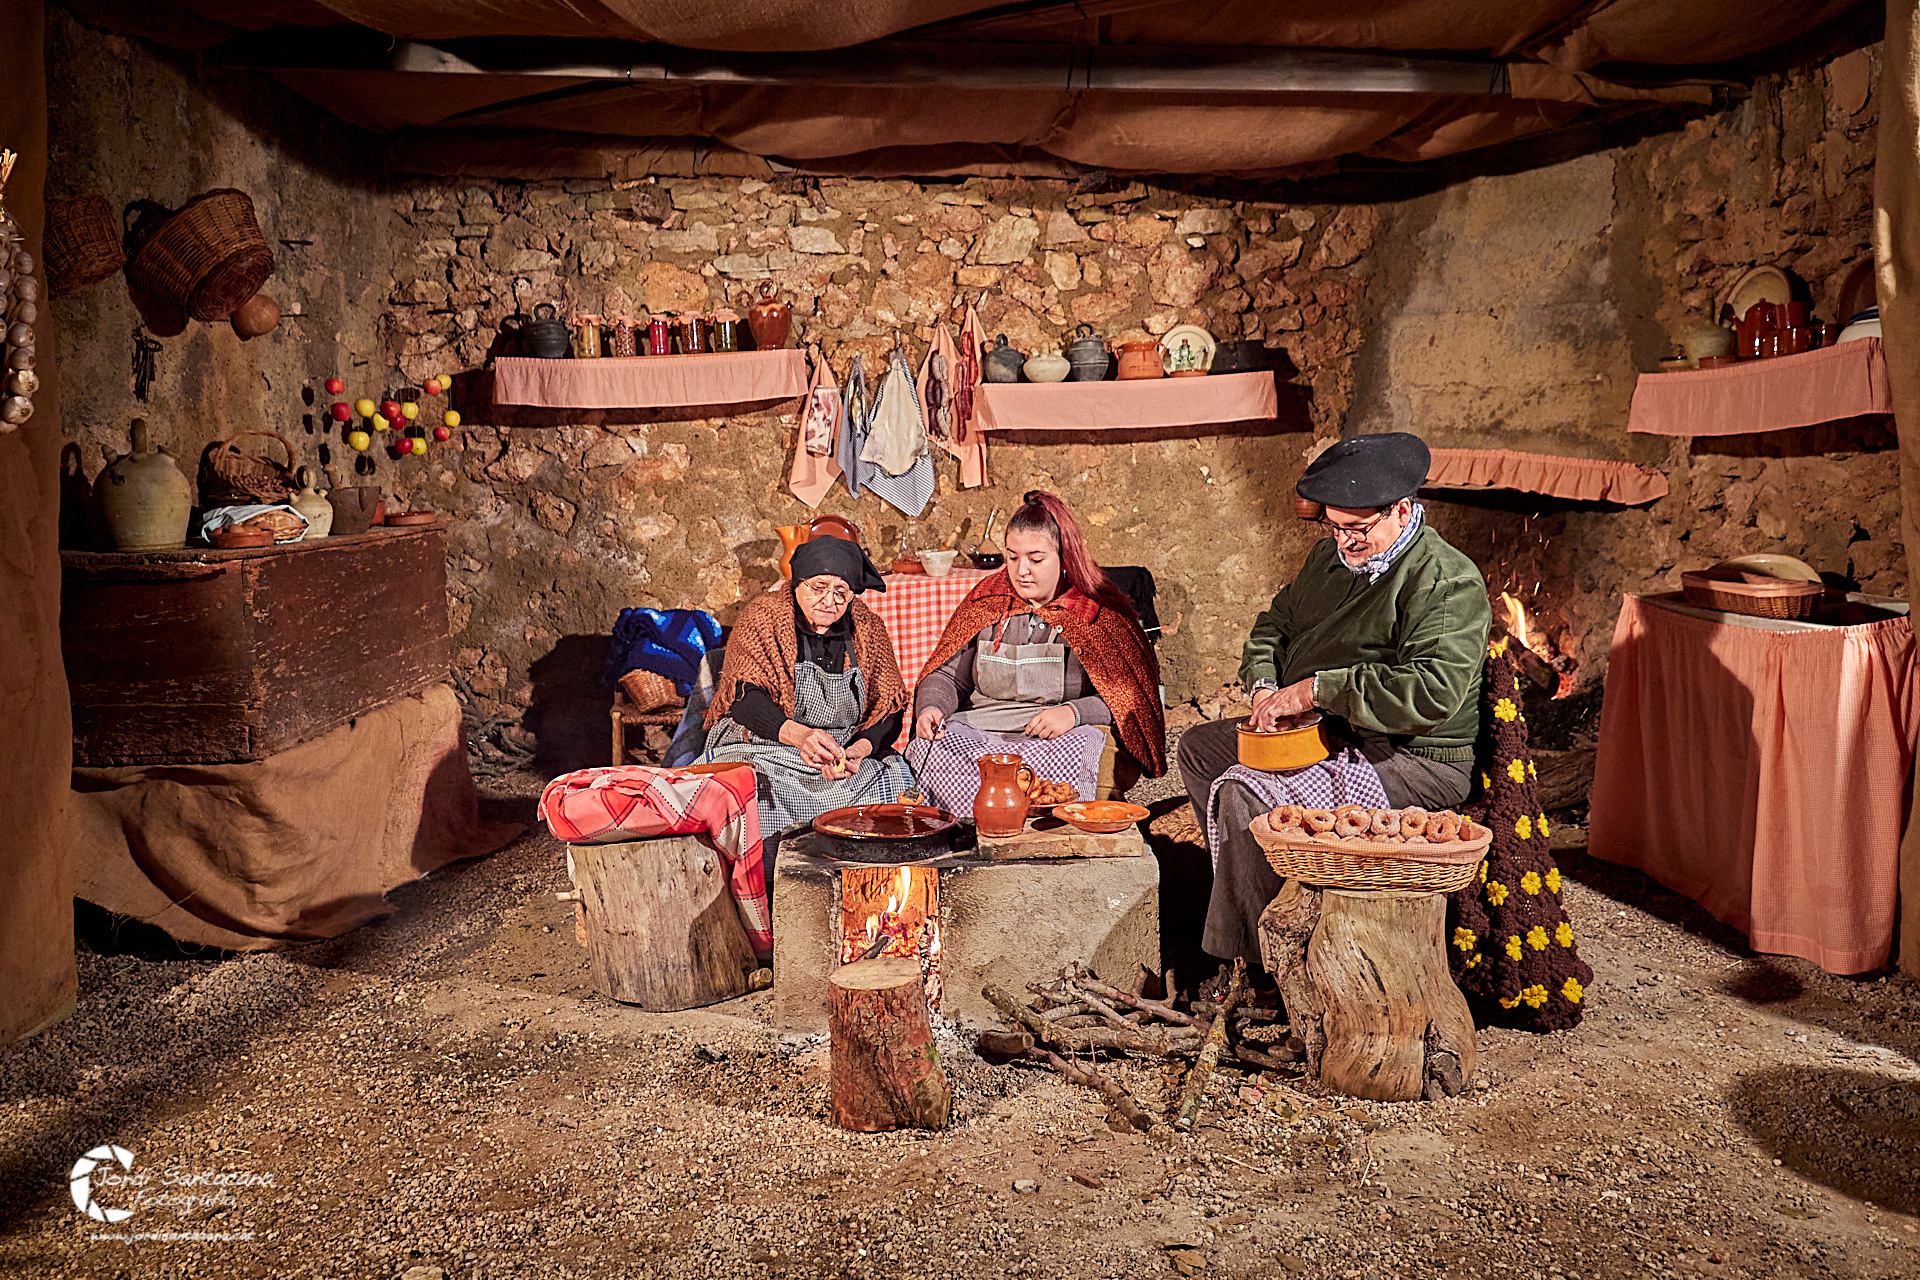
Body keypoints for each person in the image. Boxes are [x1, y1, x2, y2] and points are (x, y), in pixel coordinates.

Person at [1178, 433, 1491, 967]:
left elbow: (1432, 692)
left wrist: (1319, 689)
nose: (1344, 543)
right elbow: (1272, 627)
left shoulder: (1444, 581)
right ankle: (1269, 899)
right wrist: (1263, 686)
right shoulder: (1329, 558)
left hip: (1412, 755)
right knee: (1202, 749)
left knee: (1244, 794)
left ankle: (1258, 967)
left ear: (1402, 510)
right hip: (1330, 729)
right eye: (1334, 526)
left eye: (1358, 529)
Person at [907, 490, 1165, 812]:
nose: (1021, 571)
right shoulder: (988, 601)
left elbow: (1130, 698)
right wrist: (931, 707)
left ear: (1064, 557)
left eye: (1036, 559)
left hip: (1059, 737)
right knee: (926, 754)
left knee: (1086, 754)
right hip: (981, 731)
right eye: (1013, 557)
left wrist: (1074, 713)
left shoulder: (1095, 615)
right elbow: (948, 675)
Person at [703, 535, 915, 834]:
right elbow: (743, 699)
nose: (830, 601)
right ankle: (768, 877)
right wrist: (801, 737)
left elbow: (889, 708)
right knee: (749, 789)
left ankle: (865, 874)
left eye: (841, 591)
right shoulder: (763, 618)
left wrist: (859, 749)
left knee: (895, 782)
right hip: (768, 747)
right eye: (819, 588)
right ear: (797, 584)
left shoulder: (867, 628)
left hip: (839, 753)